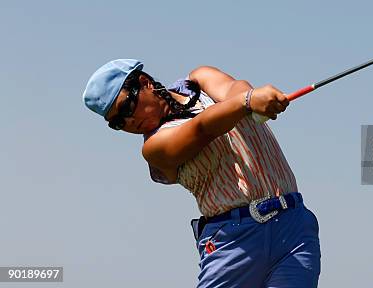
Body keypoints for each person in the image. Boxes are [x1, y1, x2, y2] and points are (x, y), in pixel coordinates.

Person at [82, 59, 321, 288]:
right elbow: (202, 128)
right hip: (233, 241)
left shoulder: (200, 78)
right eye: (117, 122)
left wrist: (248, 94)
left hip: (293, 227)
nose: (129, 121)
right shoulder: (154, 147)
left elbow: (233, 89)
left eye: (127, 107)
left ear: (144, 82)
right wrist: (247, 101)